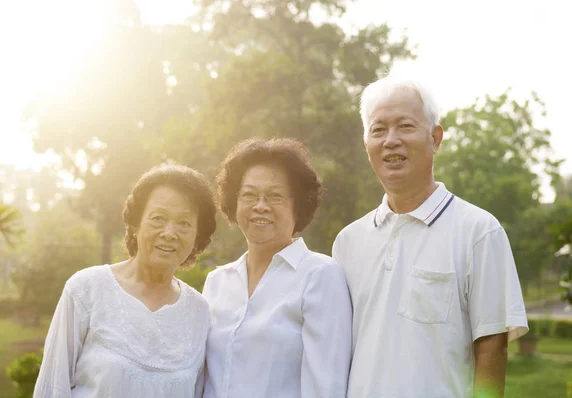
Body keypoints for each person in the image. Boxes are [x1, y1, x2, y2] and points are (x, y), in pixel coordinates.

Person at [332, 74, 529, 398]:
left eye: (405, 126)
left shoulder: (479, 232)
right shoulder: (348, 242)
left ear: (435, 138)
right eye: (378, 130)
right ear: (366, 144)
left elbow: (492, 351)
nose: (391, 140)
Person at [34, 164, 217, 397]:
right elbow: (52, 388)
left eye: (184, 223)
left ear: (197, 237)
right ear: (135, 224)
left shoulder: (199, 312)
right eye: (158, 218)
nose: (170, 232)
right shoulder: (86, 289)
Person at [202, 138, 352, 398]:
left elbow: (326, 386)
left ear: (299, 204)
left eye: (275, 195)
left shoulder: (319, 275)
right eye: (249, 195)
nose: (261, 205)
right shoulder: (217, 282)